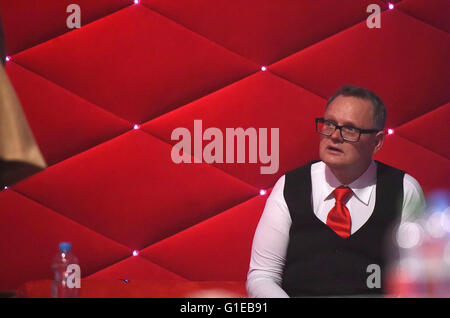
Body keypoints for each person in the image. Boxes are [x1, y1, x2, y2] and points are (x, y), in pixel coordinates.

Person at [246, 84, 426, 297]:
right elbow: (263, 276)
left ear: (377, 142)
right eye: (330, 124)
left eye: (350, 129)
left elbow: (417, 281)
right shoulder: (290, 186)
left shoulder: (404, 190)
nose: (334, 136)